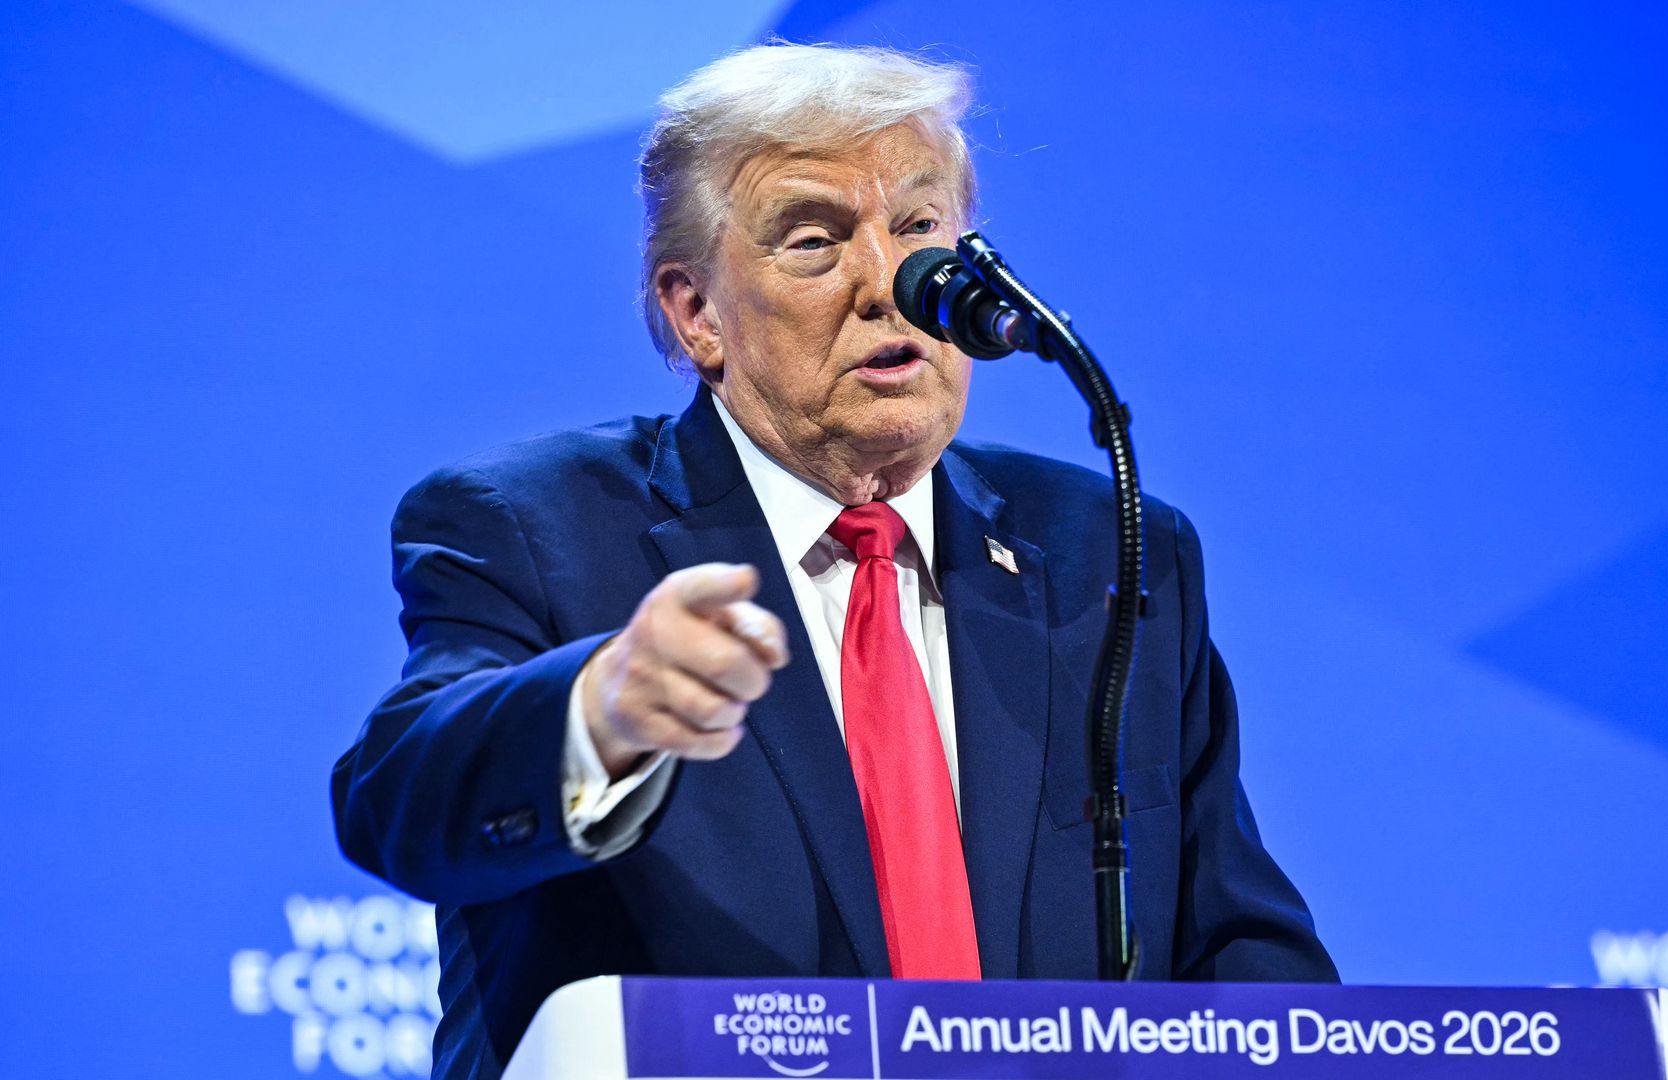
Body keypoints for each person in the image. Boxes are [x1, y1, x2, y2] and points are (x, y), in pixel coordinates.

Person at [332, 42, 1336, 1080]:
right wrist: (600, 713)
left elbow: (1238, 951)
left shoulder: (1111, 553)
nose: (885, 286)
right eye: (814, 242)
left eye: (917, 229)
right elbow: (399, 801)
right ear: (695, 312)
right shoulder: (535, 527)